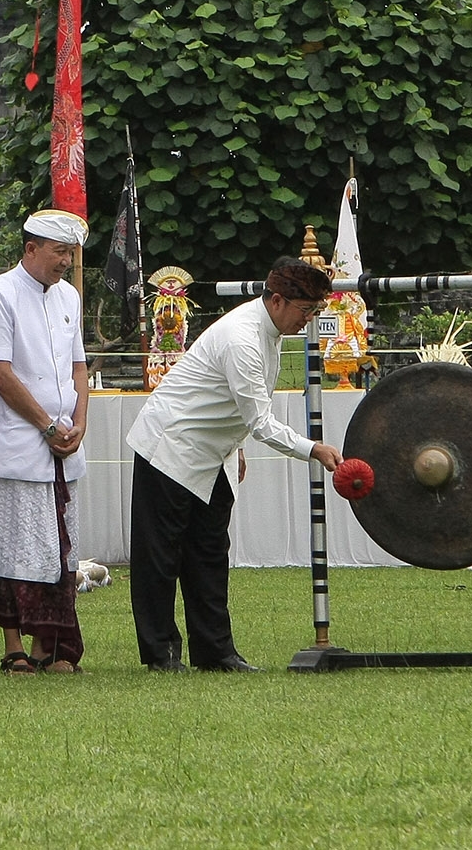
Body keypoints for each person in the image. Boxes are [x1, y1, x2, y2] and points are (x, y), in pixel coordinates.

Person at [125, 256, 344, 673]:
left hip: (215, 452)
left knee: (209, 554)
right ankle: (161, 655)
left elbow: (237, 404)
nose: (309, 321)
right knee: (160, 557)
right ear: (277, 300)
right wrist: (312, 448)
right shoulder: (242, 337)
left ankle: (215, 653)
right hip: (170, 447)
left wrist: (235, 447)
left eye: (315, 312)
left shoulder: (271, 330)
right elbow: (260, 420)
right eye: (305, 311)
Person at [0, 209, 90, 674]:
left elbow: (79, 366)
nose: (65, 261)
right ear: (31, 249)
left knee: (60, 549)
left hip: (65, 444)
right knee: (17, 546)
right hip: (24, 443)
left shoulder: (69, 296)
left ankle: (52, 645)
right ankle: (13, 645)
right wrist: (45, 425)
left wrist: (79, 422)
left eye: (70, 253)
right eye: (59, 252)